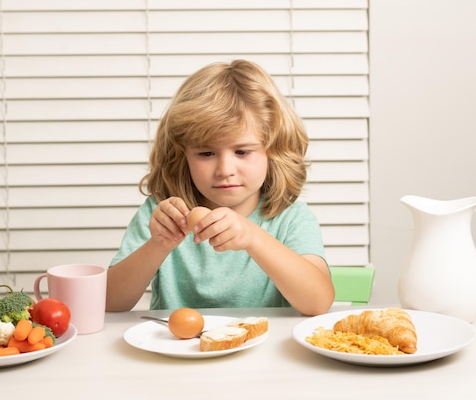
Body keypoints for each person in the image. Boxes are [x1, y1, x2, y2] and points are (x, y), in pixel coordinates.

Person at [106, 59, 335, 316]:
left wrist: (253, 238)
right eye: (206, 153)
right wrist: (158, 245)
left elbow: (318, 302)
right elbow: (110, 303)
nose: (225, 169)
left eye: (242, 151)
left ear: (273, 151)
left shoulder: (290, 218)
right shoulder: (161, 215)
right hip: (177, 353)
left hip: (264, 353)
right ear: (182, 155)